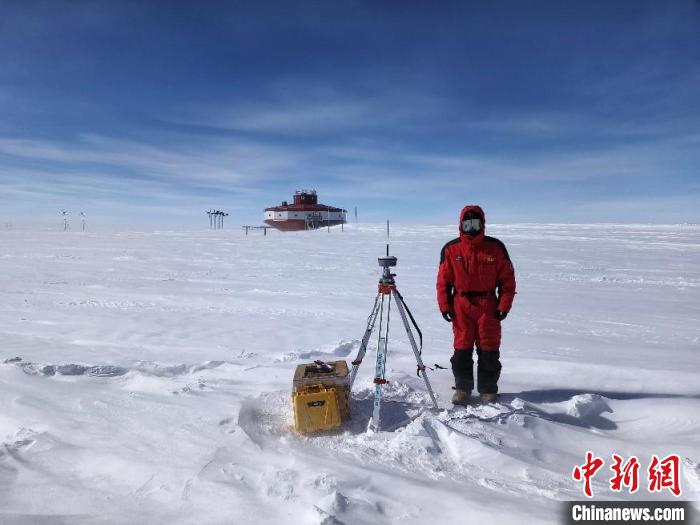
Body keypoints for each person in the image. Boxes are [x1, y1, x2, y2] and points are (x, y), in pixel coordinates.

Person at [436, 205, 516, 404]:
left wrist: (503, 306)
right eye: (467, 224)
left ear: (482, 224)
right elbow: (442, 282)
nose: (471, 228)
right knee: (462, 349)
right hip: (461, 305)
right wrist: (445, 306)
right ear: (461, 224)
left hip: (488, 306)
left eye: (475, 223)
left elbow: (508, 281)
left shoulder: (495, 248)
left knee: (489, 349)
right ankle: (463, 389)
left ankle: (488, 390)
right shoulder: (451, 249)